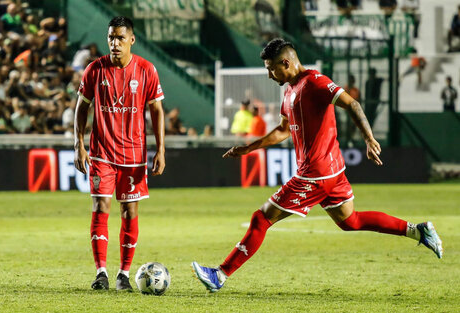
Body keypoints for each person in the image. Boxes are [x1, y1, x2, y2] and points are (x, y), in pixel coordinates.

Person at [191, 38, 443, 293]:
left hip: (315, 175)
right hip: (332, 172)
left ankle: (220, 274)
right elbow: (282, 130)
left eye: (271, 68)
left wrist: (369, 138)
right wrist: (249, 148)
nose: (269, 74)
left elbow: (352, 103)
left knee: (261, 218)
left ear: (286, 62)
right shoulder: (290, 90)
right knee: (350, 221)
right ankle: (418, 231)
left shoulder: (315, 82)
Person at [74, 16, 166, 292]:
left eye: (120, 38)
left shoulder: (146, 70)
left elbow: (156, 110)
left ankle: (123, 274)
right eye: (111, 38)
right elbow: (82, 107)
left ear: (132, 40)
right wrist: (78, 143)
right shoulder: (95, 69)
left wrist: (161, 148)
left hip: (134, 155)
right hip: (101, 152)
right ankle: (100, 271)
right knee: (100, 207)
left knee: (129, 211)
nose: (115, 43)